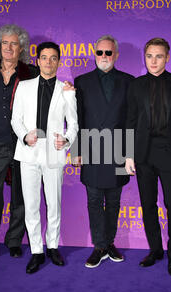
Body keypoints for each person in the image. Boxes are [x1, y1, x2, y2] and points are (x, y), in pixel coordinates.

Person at [125, 38, 171, 277]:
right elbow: (130, 121)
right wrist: (128, 155)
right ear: (145, 57)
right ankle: (156, 250)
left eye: (159, 56)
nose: (153, 61)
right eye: (150, 56)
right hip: (143, 154)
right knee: (148, 205)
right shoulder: (136, 85)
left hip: (170, 152)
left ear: (167, 57)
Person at [11, 42, 78, 274]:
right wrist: (24, 135)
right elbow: (15, 119)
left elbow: (74, 124)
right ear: (37, 60)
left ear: (59, 62)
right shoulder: (24, 86)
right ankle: (37, 251)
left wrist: (67, 140)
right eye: (44, 57)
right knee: (30, 205)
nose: (48, 62)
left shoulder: (67, 90)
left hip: (54, 154)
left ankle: (53, 246)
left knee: (54, 204)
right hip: (29, 153)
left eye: (53, 58)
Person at [0, 24, 39, 259]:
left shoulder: (30, 72)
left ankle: (14, 240)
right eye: (5, 43)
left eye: (13, 43)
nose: (9, 47)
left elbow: (45, 95)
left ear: (21, 46)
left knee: (21, 196)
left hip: (22, 145)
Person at [72, 35, 134, 268]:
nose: (104, 57)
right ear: (94, 53)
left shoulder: (130, 81)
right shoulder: (81, 81)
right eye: (100, 52)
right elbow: (76, 119)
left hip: (118, 147)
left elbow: (131, 120)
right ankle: (99, 246)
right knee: (95, 200)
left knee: (114, 201)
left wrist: (129, 154)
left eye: (109, 53)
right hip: (91, 147)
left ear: (116, 55)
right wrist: (77, 150)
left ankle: (109, 242)